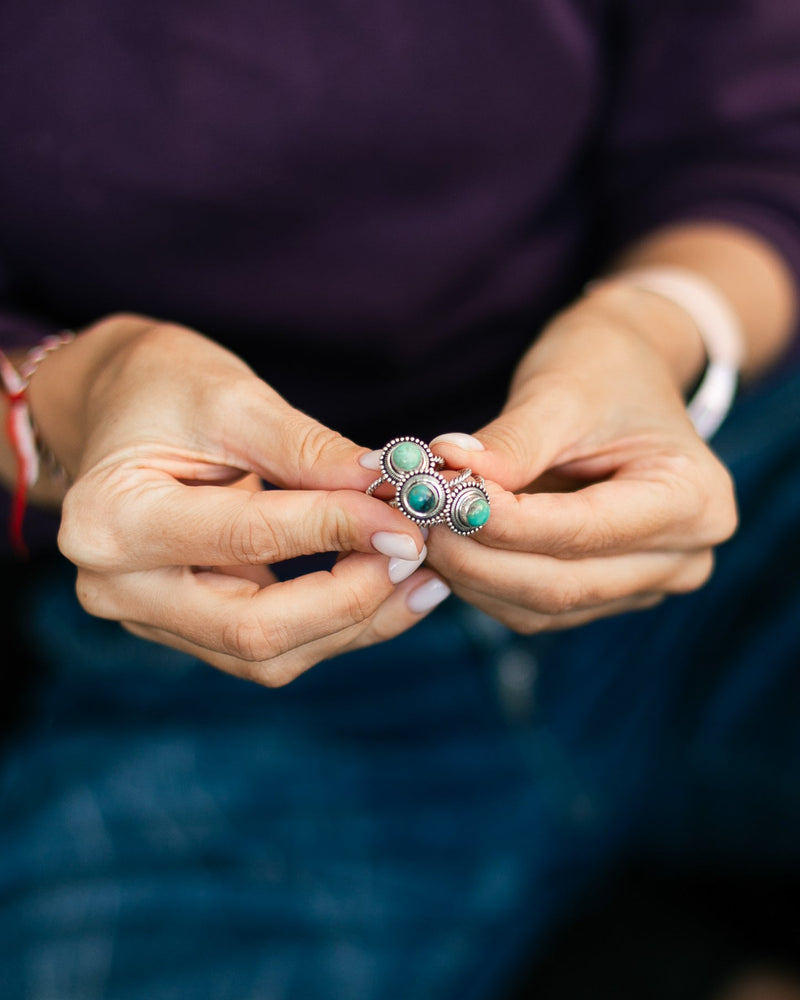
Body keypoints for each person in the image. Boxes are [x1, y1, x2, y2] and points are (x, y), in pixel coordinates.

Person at [0, 2, 798, 998]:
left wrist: (655, 329)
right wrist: (60, 402)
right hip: (210, 641)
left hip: (716, 493)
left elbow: (755, 152)